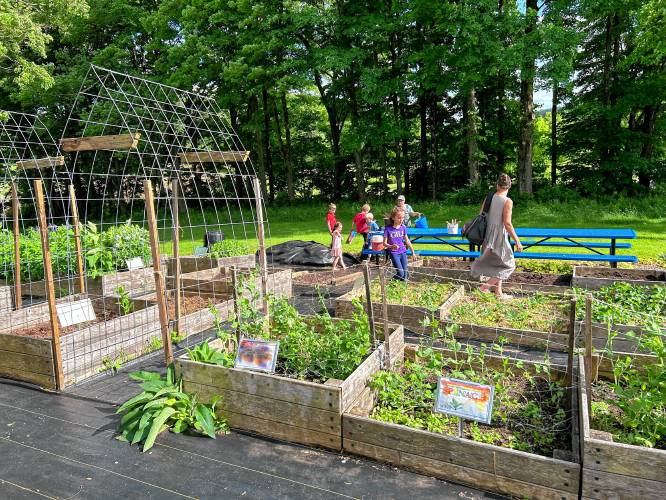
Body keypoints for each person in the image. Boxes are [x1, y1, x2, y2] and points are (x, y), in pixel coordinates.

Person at [470, 173, 523, 299]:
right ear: (509, 186)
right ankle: (484, 288)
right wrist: (517, 241)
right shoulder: (507, 201)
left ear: (497, 185)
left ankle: (498, 292)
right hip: (499, 236)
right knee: (509, 265)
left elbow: (481, 215)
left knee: (497, 264)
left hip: (487, 235)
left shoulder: (489, 197)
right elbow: (507, 223)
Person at [383, 207, 416, 281]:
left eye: (402, 218)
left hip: (403, 252)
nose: (401, 220)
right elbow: (384, 243)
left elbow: (407, 240)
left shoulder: (403, 227)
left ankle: (402, 289)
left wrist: (413, 252)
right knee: (401, 274)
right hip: (394, 253)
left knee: (405, 275)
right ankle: (390, 282)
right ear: (393, 218)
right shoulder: (388, 229)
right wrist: (391, 246)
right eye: (399, 218)